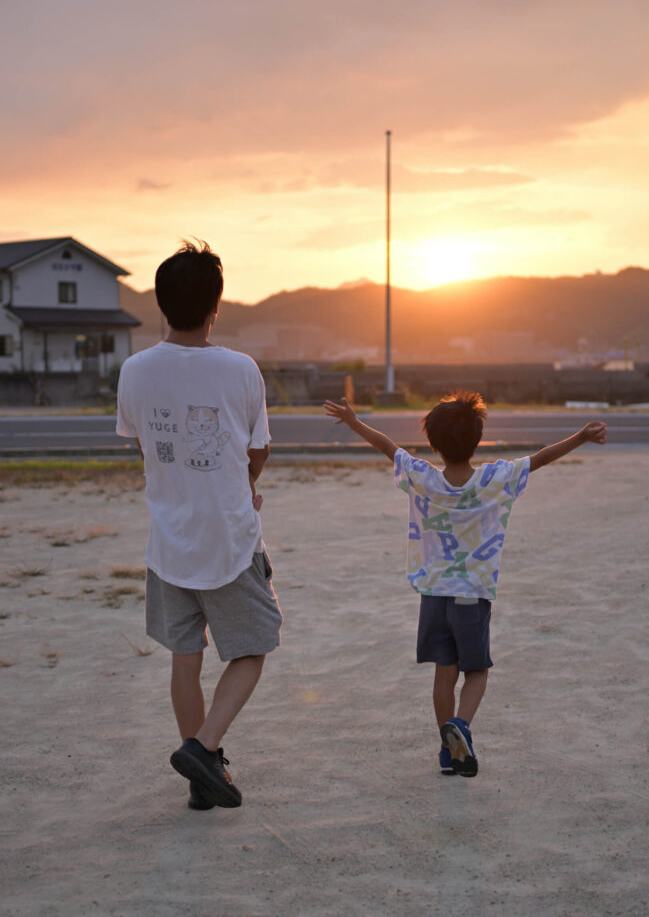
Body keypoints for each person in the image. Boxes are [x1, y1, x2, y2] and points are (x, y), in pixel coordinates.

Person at [323, 392, 606, 778]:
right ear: (476, 440)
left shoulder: (423, 477)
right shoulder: (494, 478)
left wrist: (354, 421)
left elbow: (387, 445)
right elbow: (539, 459)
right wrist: (581, 436)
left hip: (434, 595)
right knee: (477, 672)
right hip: (472, 595)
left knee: (445, 673)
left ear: (434, 444)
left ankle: (447, 751)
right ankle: (463, 727)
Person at [116, 239, 282, 811]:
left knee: (184, 659)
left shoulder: (134, 371)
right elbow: (255, 453)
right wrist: (244, 482)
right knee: (254, 646)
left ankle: (199, 784)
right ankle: (205, 751)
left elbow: (144, 449)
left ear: (161, 305)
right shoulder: (240, 369)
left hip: (169, 540)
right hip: (230, 539)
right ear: (217, 305)